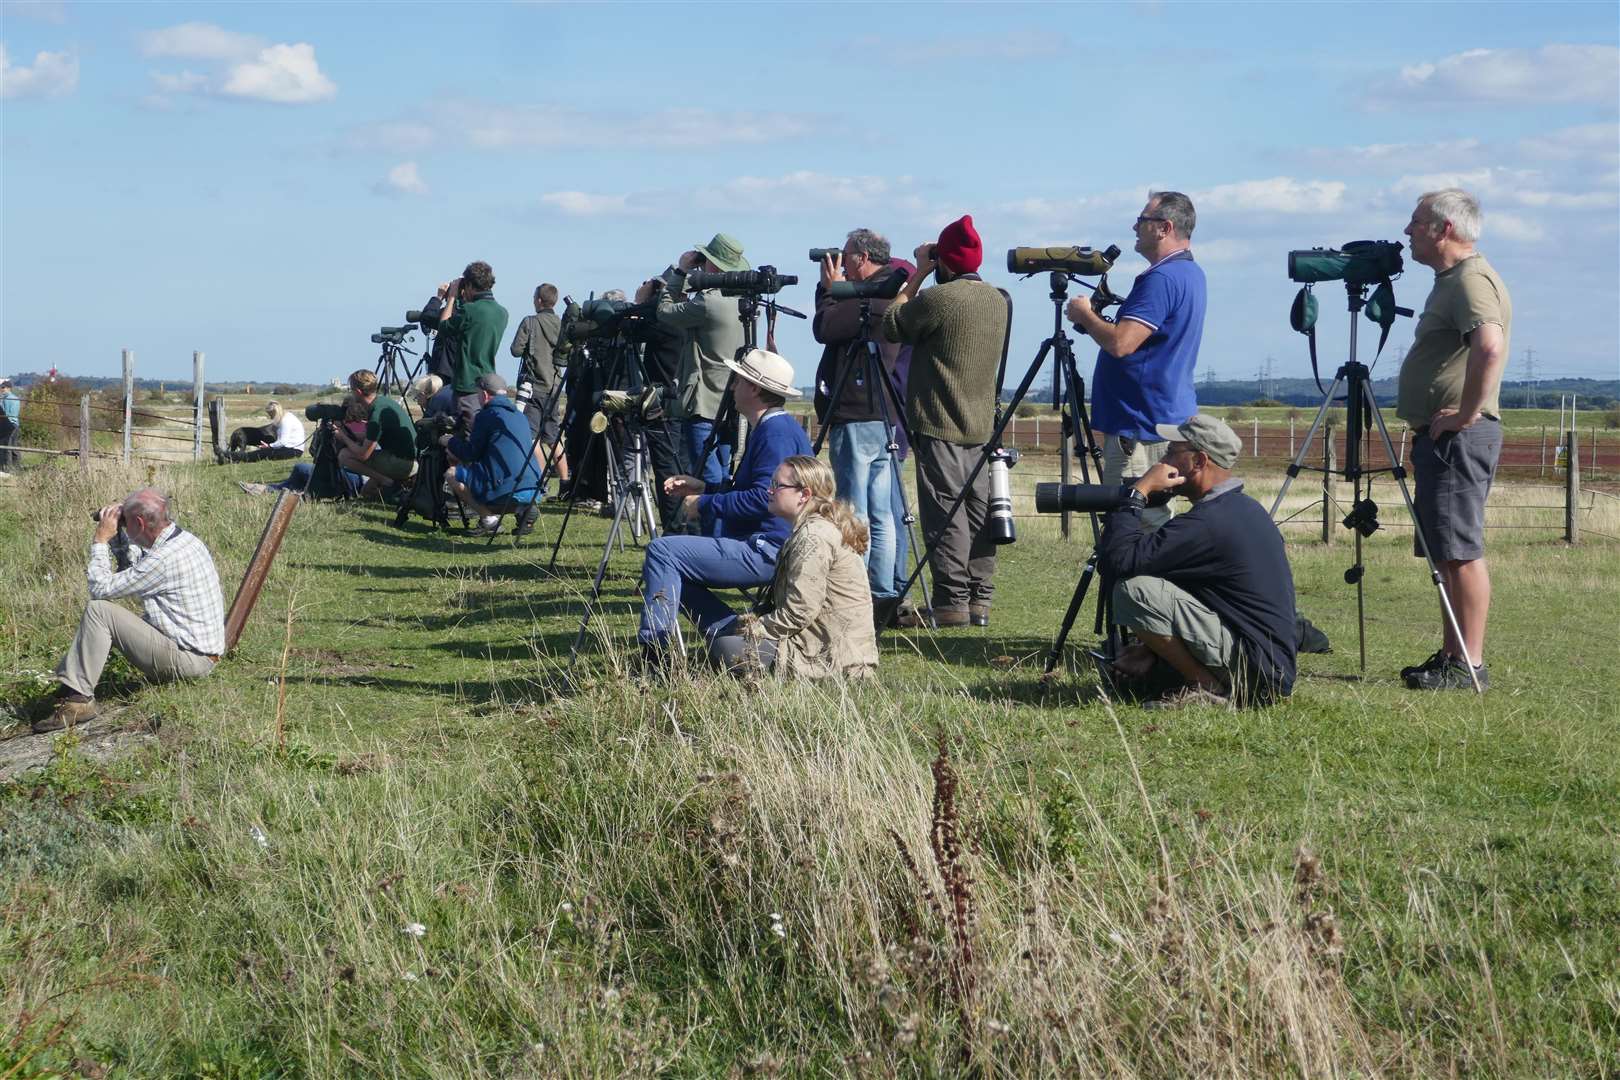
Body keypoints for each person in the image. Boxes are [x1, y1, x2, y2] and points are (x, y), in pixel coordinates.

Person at [1097, 415, 1297, 709]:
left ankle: (1206, 686)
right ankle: (1189, 676)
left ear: (1199, 461)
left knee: (1135, 590)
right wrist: (1148, 648)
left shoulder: (1208, 522)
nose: (1162, 462)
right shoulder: (1243, 509)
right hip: (1267, 666)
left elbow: (1118, 563)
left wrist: (1136, 494)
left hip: (1254, 670)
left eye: (1171, 452)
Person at [1395, 188, 1512, 691]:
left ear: (1444, 229)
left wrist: (1466, 414)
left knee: (1460, 550)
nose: (1408, 232)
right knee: (1446, 549)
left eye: (1416, 222)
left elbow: (1489, 344)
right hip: (1446, 436)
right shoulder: (1455, 279)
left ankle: (1470, 664)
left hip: (1459, 437)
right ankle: (1452, 655)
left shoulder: (1469, 280)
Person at [636, 349, 813, 662]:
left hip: (767, 548)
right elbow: (761, 491)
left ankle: (655, 653)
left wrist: (705, 503)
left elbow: (762, 498)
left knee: (662, 552)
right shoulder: (776, 428)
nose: (731, 388)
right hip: (769, 544)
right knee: (669, 565)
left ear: (755, 388)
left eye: (737, 380)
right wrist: (705, 488)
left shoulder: (775, 434)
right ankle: (733, 633)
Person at [880, 214, 1009, 628]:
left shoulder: (941, 299)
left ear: (947, 261)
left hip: (940, 422)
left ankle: (950, 602)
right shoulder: (998, 299)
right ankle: (979, 601)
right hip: (981, 426)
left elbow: (892, 324)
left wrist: (919, 271)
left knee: (945, 513)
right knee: (980, 514)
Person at [1066, 191, 1206, 529]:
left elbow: (1121, 344)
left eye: (1142, 221)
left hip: (1139, 425)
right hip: (1162, 414)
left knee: (1134, 518)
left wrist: (1085, 315)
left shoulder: (1161, 280)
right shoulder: (1189, 273)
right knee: (1154, 517)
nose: (1135, 227)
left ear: (1163, 227)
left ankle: (1135, 583)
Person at [36, 488, 224, 733]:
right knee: (104, 613)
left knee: (99, 611)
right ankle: (73, 686)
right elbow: (134, 568)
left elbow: (99, 588)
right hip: (199, 651)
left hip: (190, 660)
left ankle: (78, 702)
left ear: (138, 522)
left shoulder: (164, 560)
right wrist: (123, 536)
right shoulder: (183, 540)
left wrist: (101, 540)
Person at [813, 228, 915, 617]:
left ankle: (858, 587)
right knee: (882, 511)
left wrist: (830, 290)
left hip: (856, 412)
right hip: (884, 416)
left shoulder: (870, 298)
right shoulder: (894, 295)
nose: (840, 259)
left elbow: (825, 328)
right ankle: (884, 586)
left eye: (846, 253)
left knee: (854, 508)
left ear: (860, 257)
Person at [708, 456, 879, 679]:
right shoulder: (812, 529)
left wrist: (753, 630)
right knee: (724, 638)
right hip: (832, 648)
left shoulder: (813, 538)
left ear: (804, 495)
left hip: (833, 660)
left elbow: (800, 611)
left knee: (724, 647)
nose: (769, 491)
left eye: (777, 485)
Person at [655, 234, 749, 505]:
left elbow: (666, 311)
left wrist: (681, 270)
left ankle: (711, 533)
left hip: (705, 402)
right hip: (734, 403)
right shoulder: (744, 299)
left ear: (715, 267)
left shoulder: (709, 302)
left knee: (706, 480)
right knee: (722, 474)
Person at [442, 373, 542, 535]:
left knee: (452, 474)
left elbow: (470, 454)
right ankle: (525, 510)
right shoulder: (521, 416)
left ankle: (490, 521)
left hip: (506, 491)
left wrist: (450, 442)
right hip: (533, 489)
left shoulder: (486, 416)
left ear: (485, 394)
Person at [435, 260, 510, 430]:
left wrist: (452, 297)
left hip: (467, 384)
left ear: (469, 285)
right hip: (489, 382)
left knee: (467, 434)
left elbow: (443, 327)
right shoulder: (502, 313)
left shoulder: (470, 311)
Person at [510, 283, 565, 484]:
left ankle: (538, 480)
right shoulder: (562, 324)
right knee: (553, 438)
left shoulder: (529, 322)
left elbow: (516, 350)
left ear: (539, 300)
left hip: (533, 387)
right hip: (555, 386)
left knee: (531, 438)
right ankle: (565, 482)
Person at [333, 370, 417, 498]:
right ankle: (397, 493)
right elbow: (371, 437)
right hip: (409, 459)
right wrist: (350, 434)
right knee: (366, 493)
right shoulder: (383, 402)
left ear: (359, 392)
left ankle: (388, 482)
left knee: (344, 455)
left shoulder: (376, 414)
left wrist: (343, 437)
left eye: (351, 389)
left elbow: (363, 455)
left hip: (403, 463)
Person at [217, 401, 305, 463]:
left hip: (293, 451)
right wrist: (270, 446)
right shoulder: (286, 417)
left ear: (275, 413)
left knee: (260, 453)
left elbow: (283, 441)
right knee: (262, 453)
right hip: (291, 449)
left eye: (271, 415)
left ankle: (227, 454)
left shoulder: (286, 420)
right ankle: (230, 455)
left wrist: (269, 446)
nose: (271, 418)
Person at [0, 377, 20, 475]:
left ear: (8, 388)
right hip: (15, 424)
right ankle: (16, 467)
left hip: (8, 424)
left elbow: (5, 414)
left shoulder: (6, 399)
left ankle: (6, 468)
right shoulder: (16, 398)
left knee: (5, 446)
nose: (2, 389)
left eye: (3, 388)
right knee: (14, 446)